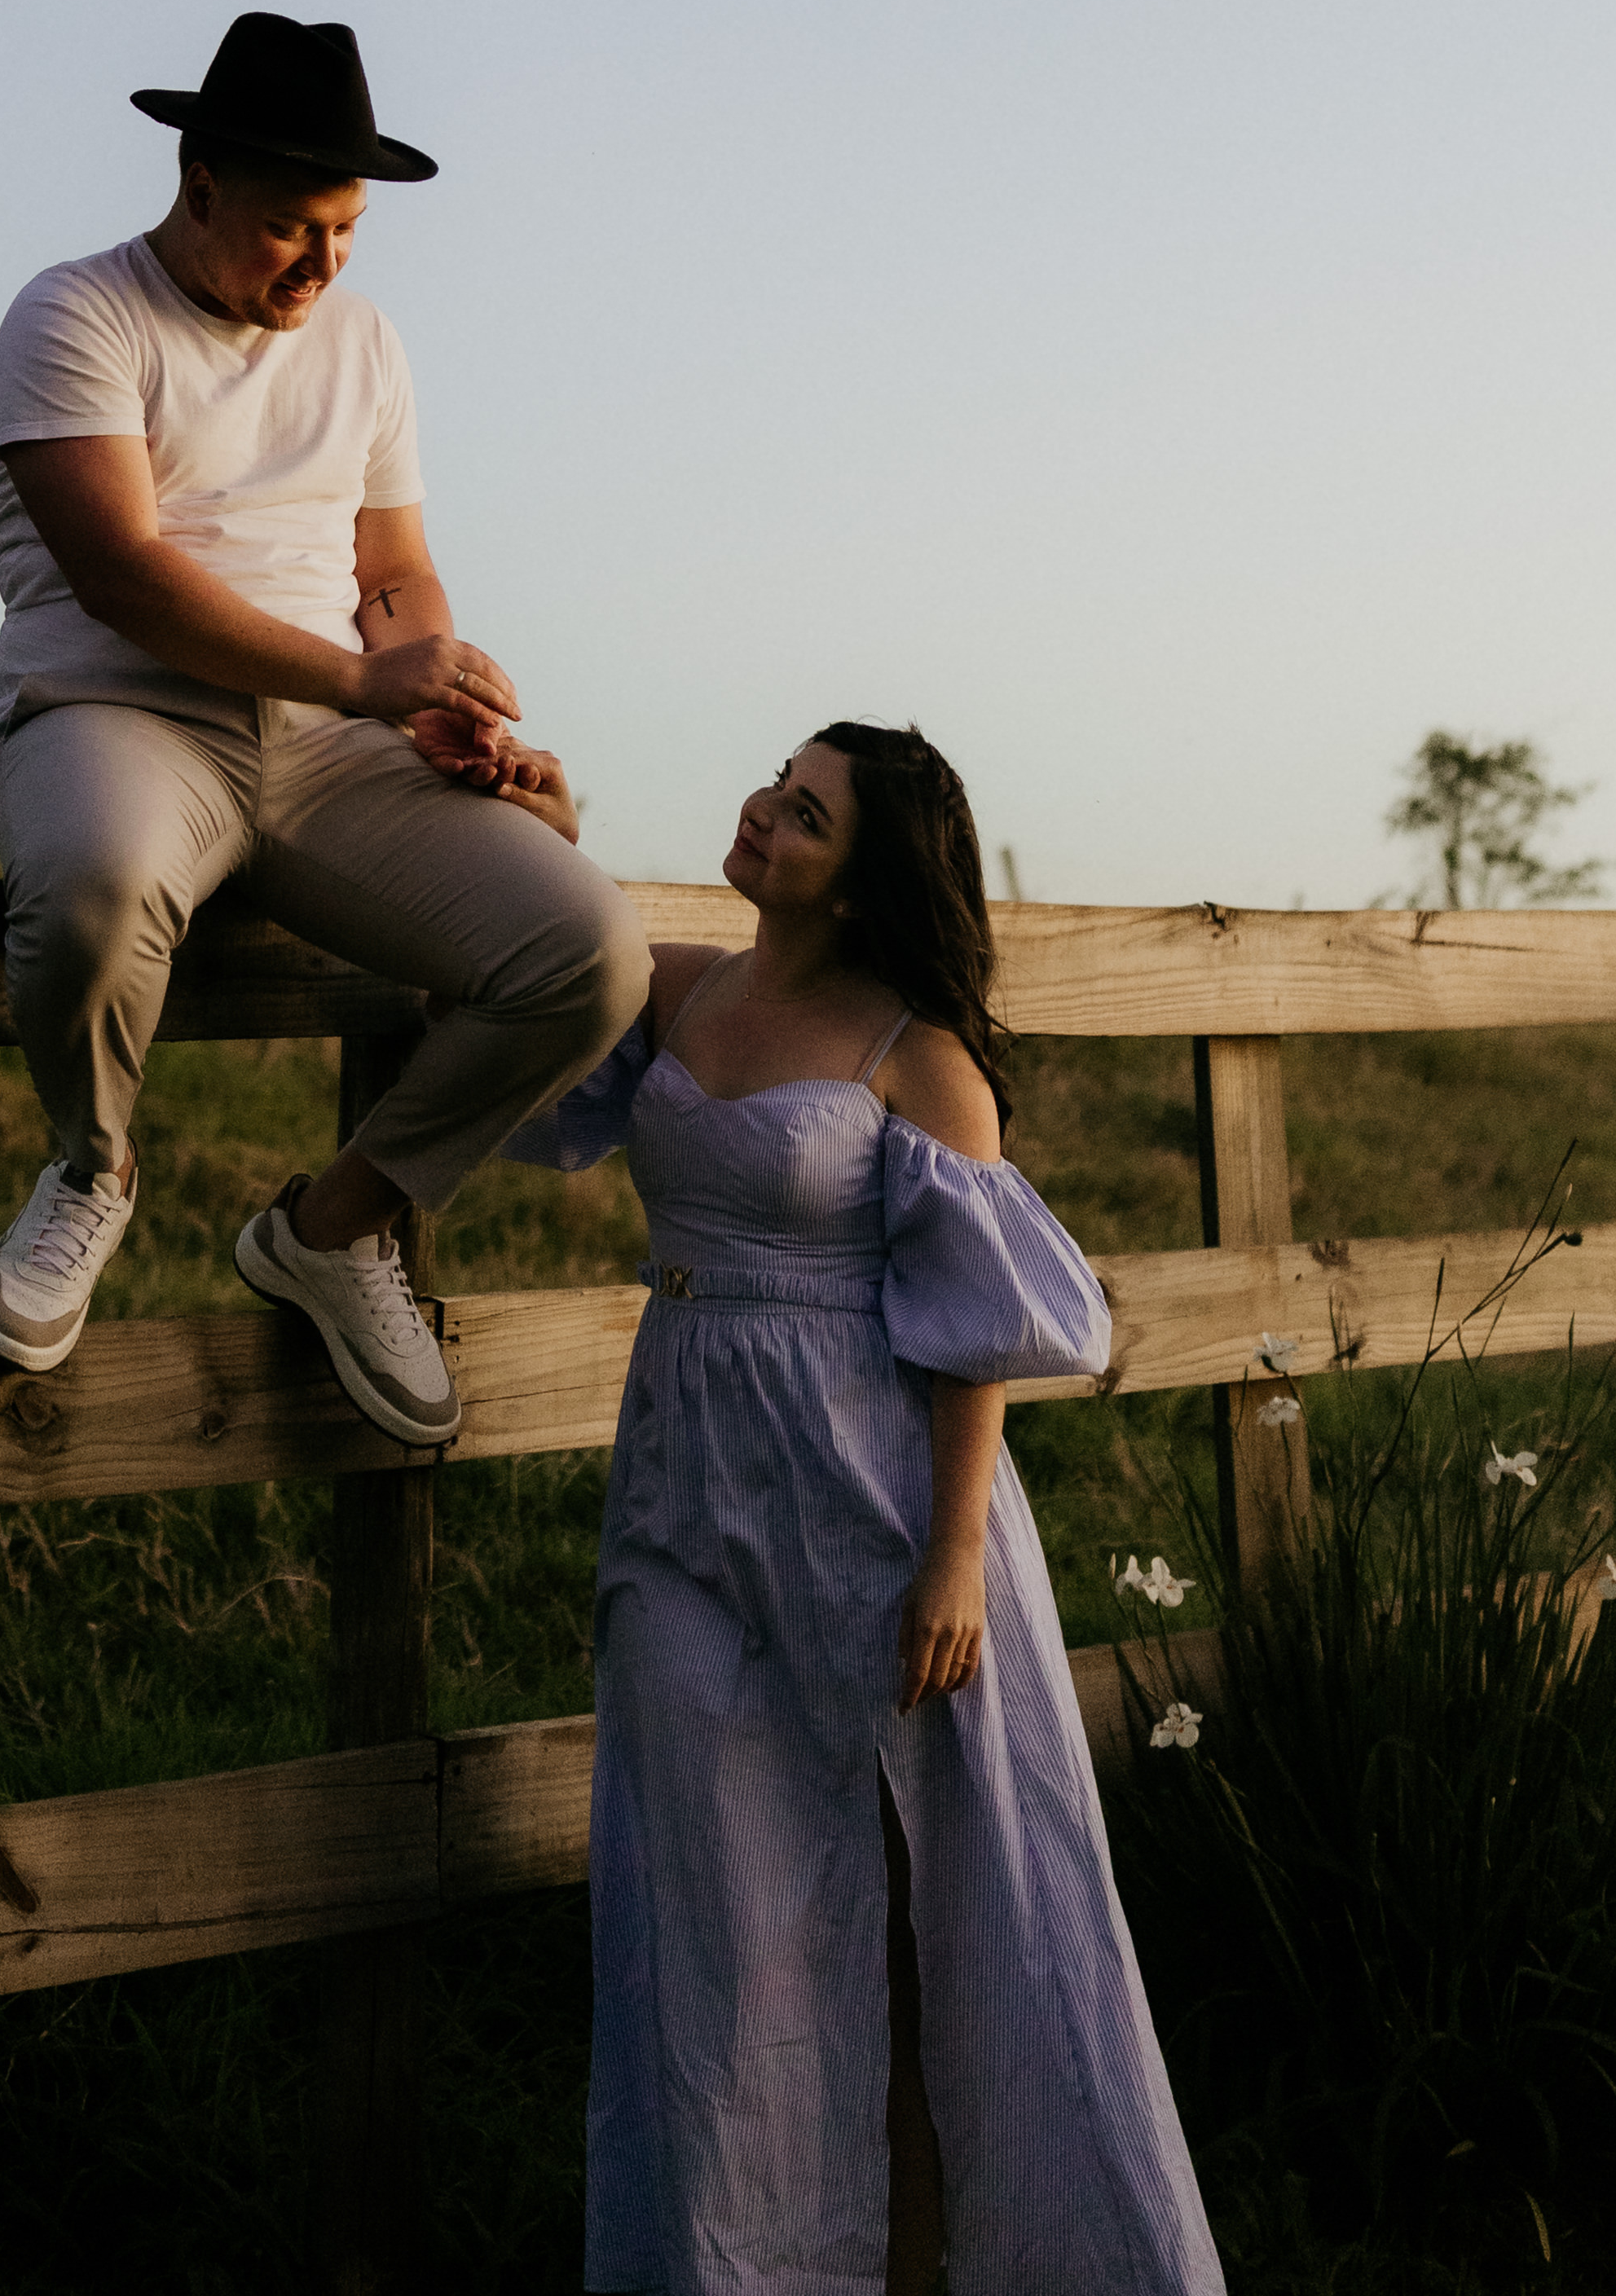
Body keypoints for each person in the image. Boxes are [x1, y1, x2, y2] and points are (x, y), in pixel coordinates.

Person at [508, 719, 1223, 2296]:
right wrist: (549, 838)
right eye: (778, 784)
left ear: (858, 880)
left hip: (876, 1510)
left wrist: (955, 1554)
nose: (764, 811)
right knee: (715, 1914)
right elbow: (541, 1018)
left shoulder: (920, 1058)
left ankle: (943, 2263)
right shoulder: (678, 986)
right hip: (684, 1485)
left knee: (918, 1920)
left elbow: (974, 1331)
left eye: (806, 813)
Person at [0, 8, 649, 1448]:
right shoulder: (73, 315)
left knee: (591, 953)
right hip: (115, 709)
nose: (325, 262)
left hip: (333, 745)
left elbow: (390, 571)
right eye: (292, 226)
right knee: (91, 884)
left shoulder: (365, 341)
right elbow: (124, 575)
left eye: (346, 229)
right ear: (199, 182)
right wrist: (362, 681)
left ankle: (335, 1229)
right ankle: (90, 1169)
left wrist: (436, 699)